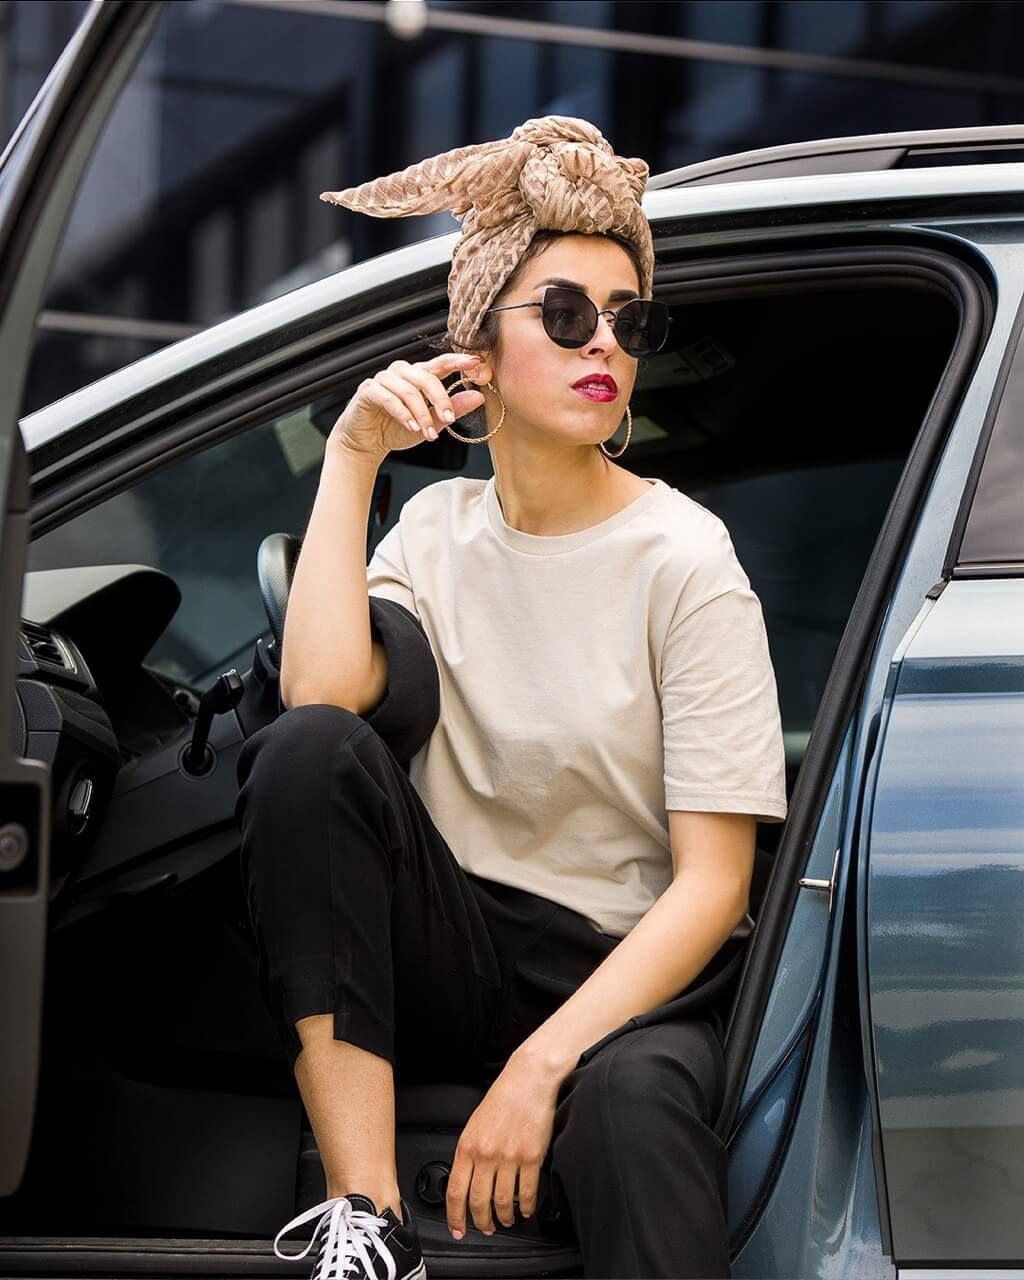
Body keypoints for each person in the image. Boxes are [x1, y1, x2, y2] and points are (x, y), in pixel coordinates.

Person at [234, 115, 788, 1280]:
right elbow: (321, 701)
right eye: (567, 314)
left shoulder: (683, 556)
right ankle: (367, 1217)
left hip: (630, 970)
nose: (606, 344)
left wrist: (543, 1066)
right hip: (465, 941)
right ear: (476, 346)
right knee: (307, 754)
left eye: (629, 320)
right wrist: (353, 457)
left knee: (634, 1111)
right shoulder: (435, 529)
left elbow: (713, 885)